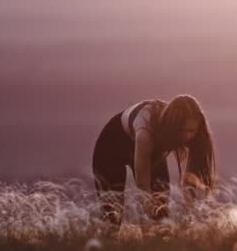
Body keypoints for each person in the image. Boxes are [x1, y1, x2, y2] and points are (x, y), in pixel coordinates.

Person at [92, 94, 217, 226]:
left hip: (150, 147)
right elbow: (143, 185)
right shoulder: (146, 131)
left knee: (160, 210)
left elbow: (190, 176)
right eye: (183, 131)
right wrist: (147, 209)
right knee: (112, 214)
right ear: (173, 125)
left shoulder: (191, 132)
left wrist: (190, 212)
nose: (187, 136)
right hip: (111, 147)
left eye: (191, 130)